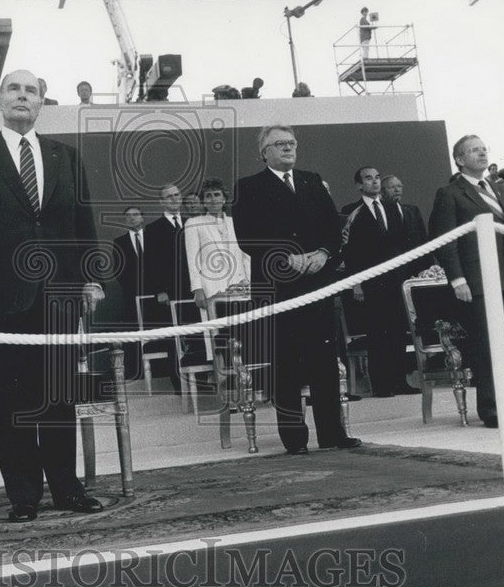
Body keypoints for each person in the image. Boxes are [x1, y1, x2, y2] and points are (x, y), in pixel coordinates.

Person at [0, 69, 104, 522]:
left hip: (58, 295)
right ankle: (22, 494)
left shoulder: (66, 156)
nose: (23, 96)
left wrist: (90, 277)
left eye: (31, 90)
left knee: (58, 395)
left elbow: (83, 221)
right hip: (3, 298)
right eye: (14, 89)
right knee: (13, 398)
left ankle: (65, 487)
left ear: (42, 102)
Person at [233, 124, 361, 453]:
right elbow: (247, 236)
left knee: (324, 361)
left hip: (317, 282)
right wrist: (286, 257)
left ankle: (332, 434)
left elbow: (333, 227)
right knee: (286, 364)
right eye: (280, 144)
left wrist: (322, 253)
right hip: (278, 286)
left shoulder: (312, 180)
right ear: (264, 153)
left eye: (291, 143)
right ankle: (295, 439)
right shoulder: (248, 187)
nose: (289, 148)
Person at [428, 135, 504, 428]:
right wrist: (457, 279)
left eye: (483, 149)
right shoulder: (450, 193)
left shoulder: (500, 189)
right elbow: (444, 242)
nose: (481, 153)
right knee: (489, 345)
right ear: (460, 159)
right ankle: (492, 409)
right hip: (478, 282)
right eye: (473, 150)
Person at [341, 167, 414, 397]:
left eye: (376, 178)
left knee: (397, 331)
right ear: (359, 185)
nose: (374, 182)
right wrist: (357, 283)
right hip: (370, 282)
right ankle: (382, 385)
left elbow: (401, 244)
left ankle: (400, 380)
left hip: (396, 280)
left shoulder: (394, 208)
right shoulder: (351, 211)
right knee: (377, 333)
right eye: (368, 178)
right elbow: (350, 252)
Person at [143, 183, 191, 393]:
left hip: (193, 288)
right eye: (169, 196)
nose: (174, 199)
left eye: (177, 195)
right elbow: (150, 263)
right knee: (175, 337)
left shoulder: (191, 223)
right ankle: (179, 384)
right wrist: (159, 290)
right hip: (170, 291)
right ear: (162, 201)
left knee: (197, 334)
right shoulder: (153, 229)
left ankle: (200, 379)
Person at [183, 178, 250, 309]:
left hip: (240, 285)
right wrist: (197, 289)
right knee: (218, 328)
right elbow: (193, 259)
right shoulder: (194, 223)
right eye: (208, 196)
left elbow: (246, 256)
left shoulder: (235, 222)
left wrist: (250, 282)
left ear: (224, 199)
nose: (213, 199)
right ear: (203, 201)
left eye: (217, 194)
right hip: (212, 287)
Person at [111, 205, 147, 379]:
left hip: (155, 296)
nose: (132, 218)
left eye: (135, 215)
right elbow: (118, 271)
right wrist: (134, 291)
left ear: (142, 217)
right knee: (134, 333)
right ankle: (136, 373)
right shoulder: (119, 242)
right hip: (132, 296)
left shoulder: (155, 237)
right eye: (128, 216)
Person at [381, 174, 432, 274]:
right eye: (392, 187)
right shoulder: (380, 214)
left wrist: (429, 265)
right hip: (393, 269)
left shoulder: (412, 210)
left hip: (417, 267)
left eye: (399, 186)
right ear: (382, 191)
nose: (397, 190)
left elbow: (423, 239)